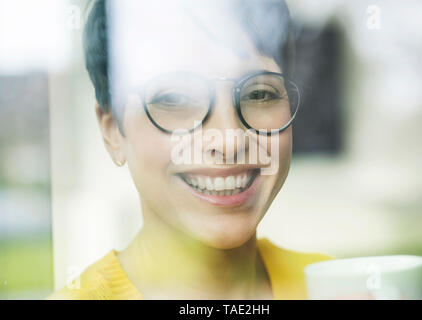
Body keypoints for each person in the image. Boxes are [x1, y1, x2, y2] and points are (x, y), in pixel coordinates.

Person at [49, 0, 333, 300]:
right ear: (111, 131)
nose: (229, 140)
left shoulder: (334, 289)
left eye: (260, 93)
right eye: (176, 98)